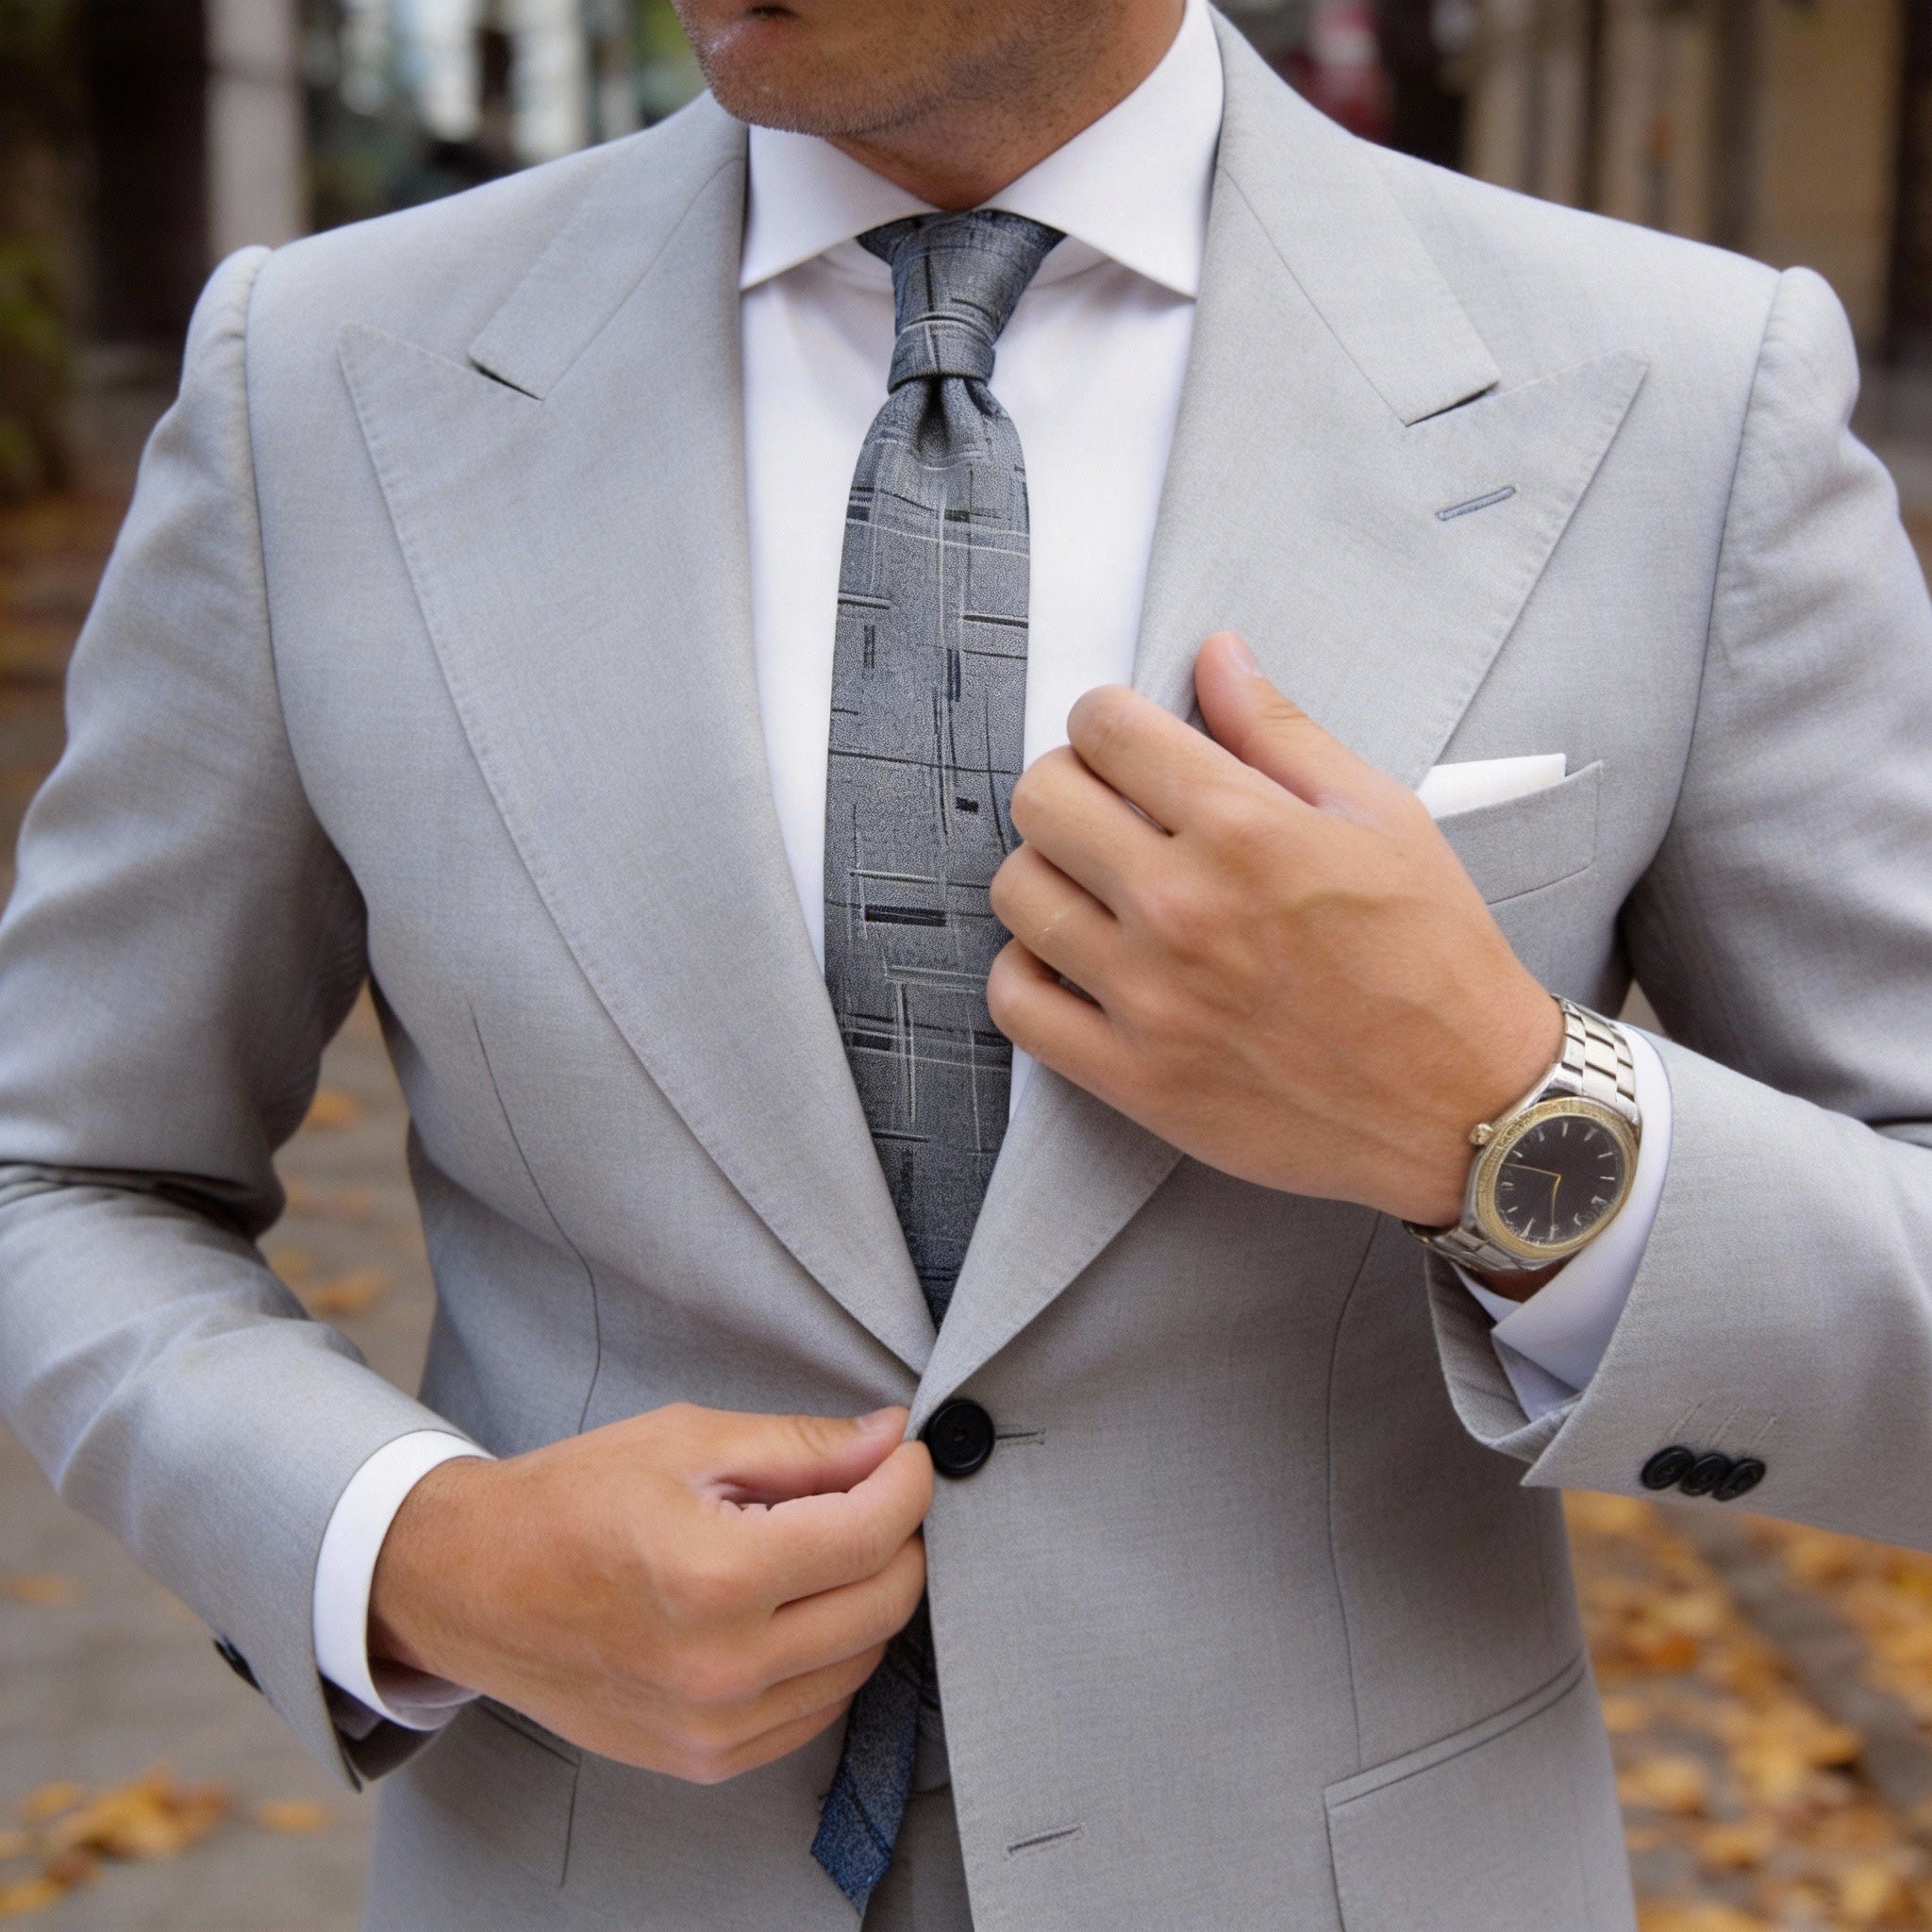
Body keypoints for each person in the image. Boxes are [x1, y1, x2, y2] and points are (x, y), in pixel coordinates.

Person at [2, 0, 1930, 1924]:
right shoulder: (318, 378)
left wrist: (1505, 1122)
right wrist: (413, 1553)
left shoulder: (1679, 394)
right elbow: (65, 1168)